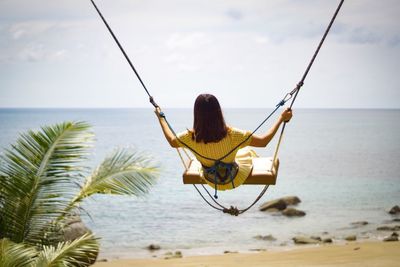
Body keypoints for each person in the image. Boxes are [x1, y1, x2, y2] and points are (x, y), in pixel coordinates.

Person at [155, 93, 292, 191]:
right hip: (233, 177)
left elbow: (172, 142)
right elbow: (263, 142)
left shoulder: (189, 138)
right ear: (218, 112)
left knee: (205, 158)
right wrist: (281, 118)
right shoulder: (234, 135)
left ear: (196, 114)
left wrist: (160, 118)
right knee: (246, 151)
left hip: (211, 180)